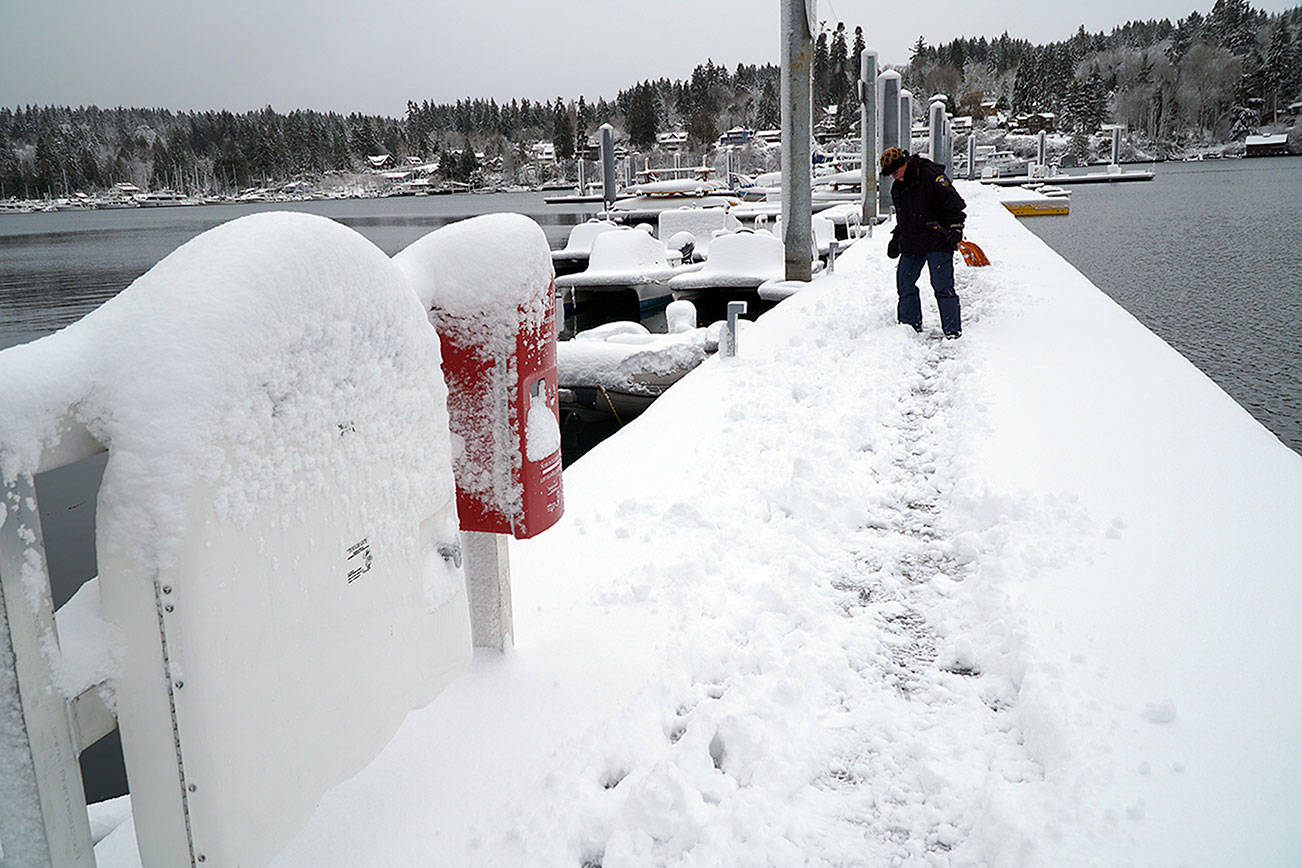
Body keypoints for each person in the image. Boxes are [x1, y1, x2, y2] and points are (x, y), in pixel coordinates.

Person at [880, 146, 966, 338]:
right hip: (912, 242)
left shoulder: (930, 175)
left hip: (938, 239)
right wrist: (896, 238)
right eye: (890, 174)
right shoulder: (898, 188)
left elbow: (954, 204)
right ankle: (910, 328)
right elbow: (904, 219)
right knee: (904, 282)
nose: (894, 177)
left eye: (895, 171)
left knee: (942, 285)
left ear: (904, 164)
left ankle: (952, 331)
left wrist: (956, 228)